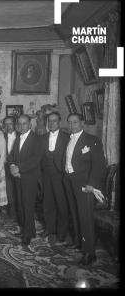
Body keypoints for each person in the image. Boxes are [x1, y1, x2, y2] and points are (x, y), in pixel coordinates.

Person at [63, 113, 106, 265]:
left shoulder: (92, 140)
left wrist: (91, 184)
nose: (71, 125)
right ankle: (79, 242)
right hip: (69, 181)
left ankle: (90, 253)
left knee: (85, 218)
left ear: (82, 123)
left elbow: (99, 165)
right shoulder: (69, 139)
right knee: (75, 214)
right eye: (69, 122)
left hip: (85, 185)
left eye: (75, 122)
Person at [7, 115, 42, 246]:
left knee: (27, 206)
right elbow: (11, 156)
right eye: (19, 124)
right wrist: (11, 166)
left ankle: (27, 234)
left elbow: (35, 159)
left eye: (24, 124)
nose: (22, 126)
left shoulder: (36, 139)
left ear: (30, 124)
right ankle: (27, 230)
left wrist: (19, 168)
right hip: (18, 177)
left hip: (29, 178)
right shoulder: (18, 139)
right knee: (20, 205)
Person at [39, 112, 70, 246]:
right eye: (49, 121)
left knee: (62, 205)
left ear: (60, 122)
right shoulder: (42, 138)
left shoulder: (67, 138)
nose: (52, 123)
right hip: (46, 175)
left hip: (61, 176)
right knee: (48, 204)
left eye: (55, 121)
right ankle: (49, 228)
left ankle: (61, 233)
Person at [2, 116, 20, 223]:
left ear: (15, 124)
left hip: (18, 168)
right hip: (5, 167)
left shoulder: (20, 136)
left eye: (10, 124)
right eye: (6, 124)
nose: (8, 126)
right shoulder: (1, 136)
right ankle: (12, 215)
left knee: (19, 190)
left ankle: (20, 213)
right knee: (9, 192)